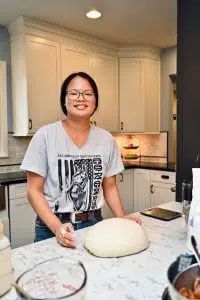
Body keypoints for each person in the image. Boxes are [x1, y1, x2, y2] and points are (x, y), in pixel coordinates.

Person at [20, 71, 141, 248]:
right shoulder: (45, 135)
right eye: (74, 93)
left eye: (88, 94)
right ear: (64, 99)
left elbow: (110, 186)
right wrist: (57, 228)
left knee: (94, 274)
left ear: (95, 100)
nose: (81, 98)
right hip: (51, 226)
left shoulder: (106, 139)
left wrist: (122, 216)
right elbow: (34, 191)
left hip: (94, 223)